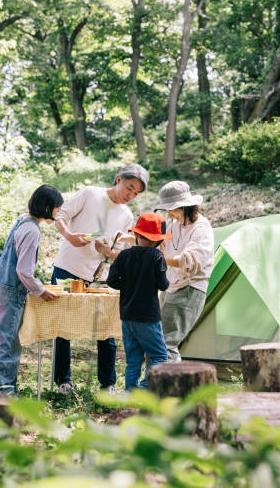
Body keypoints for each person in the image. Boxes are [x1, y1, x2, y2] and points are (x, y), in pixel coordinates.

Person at [51, 163, 149, 394]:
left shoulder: (126, 215)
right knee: (63, 328)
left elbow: (116, 252)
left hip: (100, 276)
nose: (130, 195)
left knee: (106, 330)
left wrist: (109, 252)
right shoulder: (90, 193)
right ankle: (62, 382)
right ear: (118, 179)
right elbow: (60, 217)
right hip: (67, 268)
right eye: (129, 188)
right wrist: (69, 236)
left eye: (136, 193)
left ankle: (108, 385)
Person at [0, 184, 64, 395]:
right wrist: (41, 291)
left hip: (2, 284)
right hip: (11, 290)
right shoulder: (32, 230)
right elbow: (24, 270)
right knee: (8, 343)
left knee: (7, 339)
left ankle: (6, 387)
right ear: (47, 207)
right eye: (57, 210)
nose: (58, 214)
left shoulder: (21, 221)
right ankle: (4, 392)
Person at [106, 213, 170, 390]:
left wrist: (127, 285)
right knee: (160, 356)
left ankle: (129, 393)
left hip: (127, 315)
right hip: (148, 316)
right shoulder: (157, 257)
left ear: (136, 235)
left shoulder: (123, 255)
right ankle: (143, 389)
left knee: (133, 359)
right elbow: (163, 285)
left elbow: (111, 281)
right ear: (158, 240)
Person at [154, 180, 214, 362]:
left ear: (184, 206)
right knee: (156, 341)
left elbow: (191, 261)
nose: (169, 213)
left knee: (166, 343)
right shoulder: (174, 225)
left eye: (172, 208)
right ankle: (153, 384)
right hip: (172, 285)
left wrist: (158, 259)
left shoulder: (201, 228)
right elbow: (157, 242)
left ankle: (171, 387)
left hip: (189, 288)